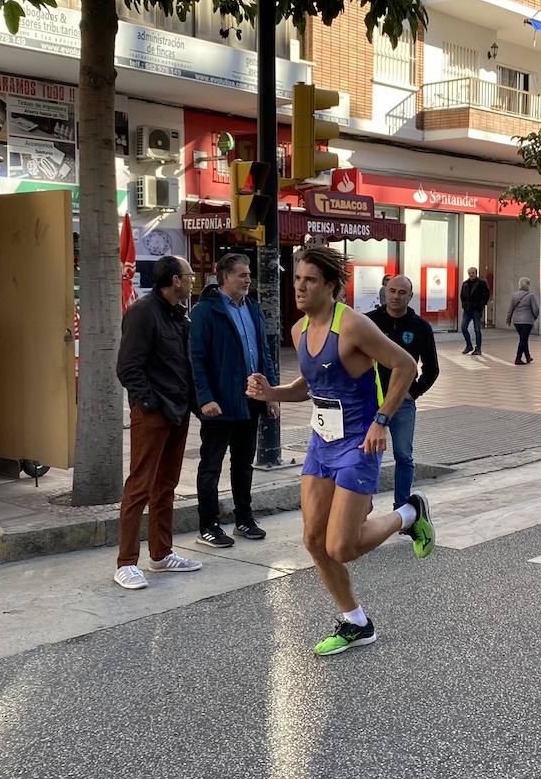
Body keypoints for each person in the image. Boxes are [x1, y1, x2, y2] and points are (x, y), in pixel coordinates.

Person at [246, 245, 436, 656]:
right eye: (297, 278)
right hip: (321, 443)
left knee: (342, 547)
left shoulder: (352, 326)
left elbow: (406, 366)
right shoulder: (298, 331)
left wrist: (381, 420)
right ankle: (356, 622)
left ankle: (409, 514)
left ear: (331, 286)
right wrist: (271, 392)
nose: (299, 286)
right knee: (314, 541)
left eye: (309, 280)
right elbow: (309, 386)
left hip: (359, 443)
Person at [114, 255, 203, 588]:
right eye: (189, 275)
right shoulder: (142, 313)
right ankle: (125, 562)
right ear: (175, 280)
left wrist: (197, 406)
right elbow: (128, 368)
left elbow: (184, 366)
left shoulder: (180, 315)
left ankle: (161, 555)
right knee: (140, 486)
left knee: (166, 486)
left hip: (177, 412)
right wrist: (149, 404)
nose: (193, 279)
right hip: (153, 414)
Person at [189, 253, 279, 549]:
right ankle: (208, 525)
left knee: (243, 463)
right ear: (225, 277)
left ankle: (244, 518)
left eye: (249, 274)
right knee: (211, 465)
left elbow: (264, 354)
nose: (248, 279)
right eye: (242, 275)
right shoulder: (205, 311)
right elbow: (197, 360)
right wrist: (205, 399)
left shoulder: (252, 308)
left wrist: (271, 394)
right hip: (220, 403)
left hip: (251, 400)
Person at [367, 274, 440, 510]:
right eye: (392, 291)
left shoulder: (420, 327)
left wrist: (413, 392)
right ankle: (361, 506)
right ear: (384, 292)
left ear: (411, 296)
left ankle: (401, 507)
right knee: (365, 454)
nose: (396, 296)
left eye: (402, 293)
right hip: (369, 400)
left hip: (402, 403)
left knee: (403, 455)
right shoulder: (368, 322)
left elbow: (432, 368)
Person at [507, 277, 540, 365]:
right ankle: (518, 358)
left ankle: (528, 357)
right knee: (523, 339)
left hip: (516, 321)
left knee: (523, 338)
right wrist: (535, 317)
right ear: (528, 285)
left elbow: (510, 309)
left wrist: (508, 319)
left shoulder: (514, 295)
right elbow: (535, 309)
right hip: (527, 321)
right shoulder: (531, 295)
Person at [459, 267, 491, 355]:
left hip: (477, 310)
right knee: (463, 327)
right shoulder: (465, 283)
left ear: (476, 273)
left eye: (472, 273)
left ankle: (478, 348)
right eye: (469, 273)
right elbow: (462, 296)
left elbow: (487, 295)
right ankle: (469, 346)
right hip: (467, 310)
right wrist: (464, 306)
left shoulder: (482, 283)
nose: (471, 274)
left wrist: (481, 305)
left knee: (477, 329)